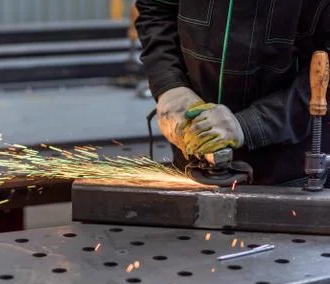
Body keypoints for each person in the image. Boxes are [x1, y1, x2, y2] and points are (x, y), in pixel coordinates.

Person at [135, 0, 330, 186]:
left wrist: (249, 124)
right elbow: (156, 10)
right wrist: (170, 85)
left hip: (288, 167)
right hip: (192, 162)